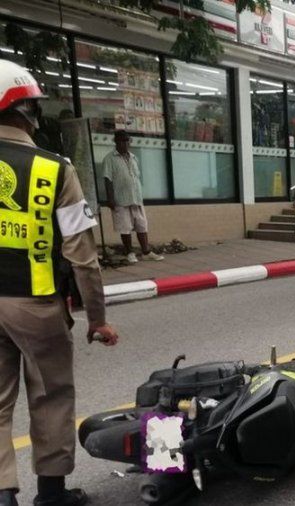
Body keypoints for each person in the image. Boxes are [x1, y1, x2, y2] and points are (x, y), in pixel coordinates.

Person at [0, 59, 119, 506]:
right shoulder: (54, 169)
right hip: (37, 305)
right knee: (50, 397)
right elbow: (82, 257)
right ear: (25, 111)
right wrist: (97, 319)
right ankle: (51, 494)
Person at [101, 130, 163, 264]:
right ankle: (129, 252)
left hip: (136, 197)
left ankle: (146, 251)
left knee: (142, 225)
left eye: (127, 141)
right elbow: (108, 179)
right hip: (120, 199)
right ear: (116, 142)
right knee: (125, 227)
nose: (125, 143)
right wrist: (110, 199)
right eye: (122, 141)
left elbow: (136, 176)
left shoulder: (134, 157)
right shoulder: (109, 159)